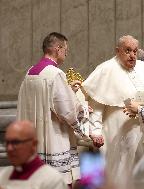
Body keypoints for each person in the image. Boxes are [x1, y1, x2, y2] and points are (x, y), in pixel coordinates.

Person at [17, 32, 97, 185]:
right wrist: (84, 110)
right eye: (66, 50)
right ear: (58, 49)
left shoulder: (30, 73)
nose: (66, 54)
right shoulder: (55, 74)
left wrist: (69, 92)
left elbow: (43, 102)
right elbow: (67, 110)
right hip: (53, 140)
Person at [82, 35, 144, 188]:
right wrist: (95, 132)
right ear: (118, 51)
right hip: (116, 134)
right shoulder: (106, 70)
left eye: (135, 51)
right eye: (127, 51)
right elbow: (96, 106)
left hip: (143, 132)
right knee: (120, 175)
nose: (132, 55)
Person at [0, 121, 67, 189]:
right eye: (7, 143)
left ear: (34, 144)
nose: (9, 148)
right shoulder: (3, 175)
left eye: (16, 142)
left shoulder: (52, 180)